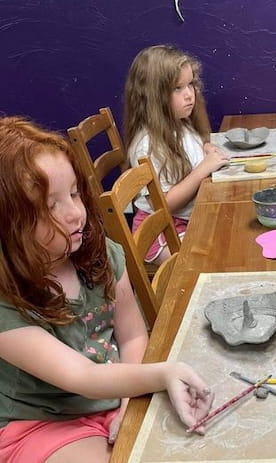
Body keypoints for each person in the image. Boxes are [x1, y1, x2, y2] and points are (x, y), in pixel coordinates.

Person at [0, 117, 214, 463]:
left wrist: (130, 401)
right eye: (49, 206)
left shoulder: (100, 254)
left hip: (110, 389)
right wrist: (160, 374)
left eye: (73, 194)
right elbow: (81, 377)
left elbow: (131, 336)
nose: (75, 214)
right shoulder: (5, 299)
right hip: (40, 421)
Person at [123, 44, 229, 264]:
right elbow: (166, 203)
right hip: (163, 232)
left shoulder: (180, 124)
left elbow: (191, 154)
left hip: (185, 219)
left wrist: (206, 148)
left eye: (190, 84)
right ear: (154, 96)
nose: (189, 94)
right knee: (221, 256)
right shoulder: (148, 146)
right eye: (177, 88)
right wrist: (203, 169)